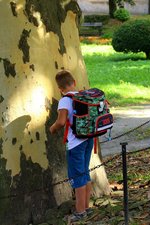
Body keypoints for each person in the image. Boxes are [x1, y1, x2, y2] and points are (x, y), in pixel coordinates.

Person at [50, 70, 93, 222]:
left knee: (78, 176)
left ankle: (80, 211)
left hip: (75, 143)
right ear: (74, 82)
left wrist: (53, 128)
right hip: (88, 139)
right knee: (85, 172)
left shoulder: (65, 100)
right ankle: (87, 206)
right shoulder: (83, 95)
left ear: (60, 89)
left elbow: (61, 122)